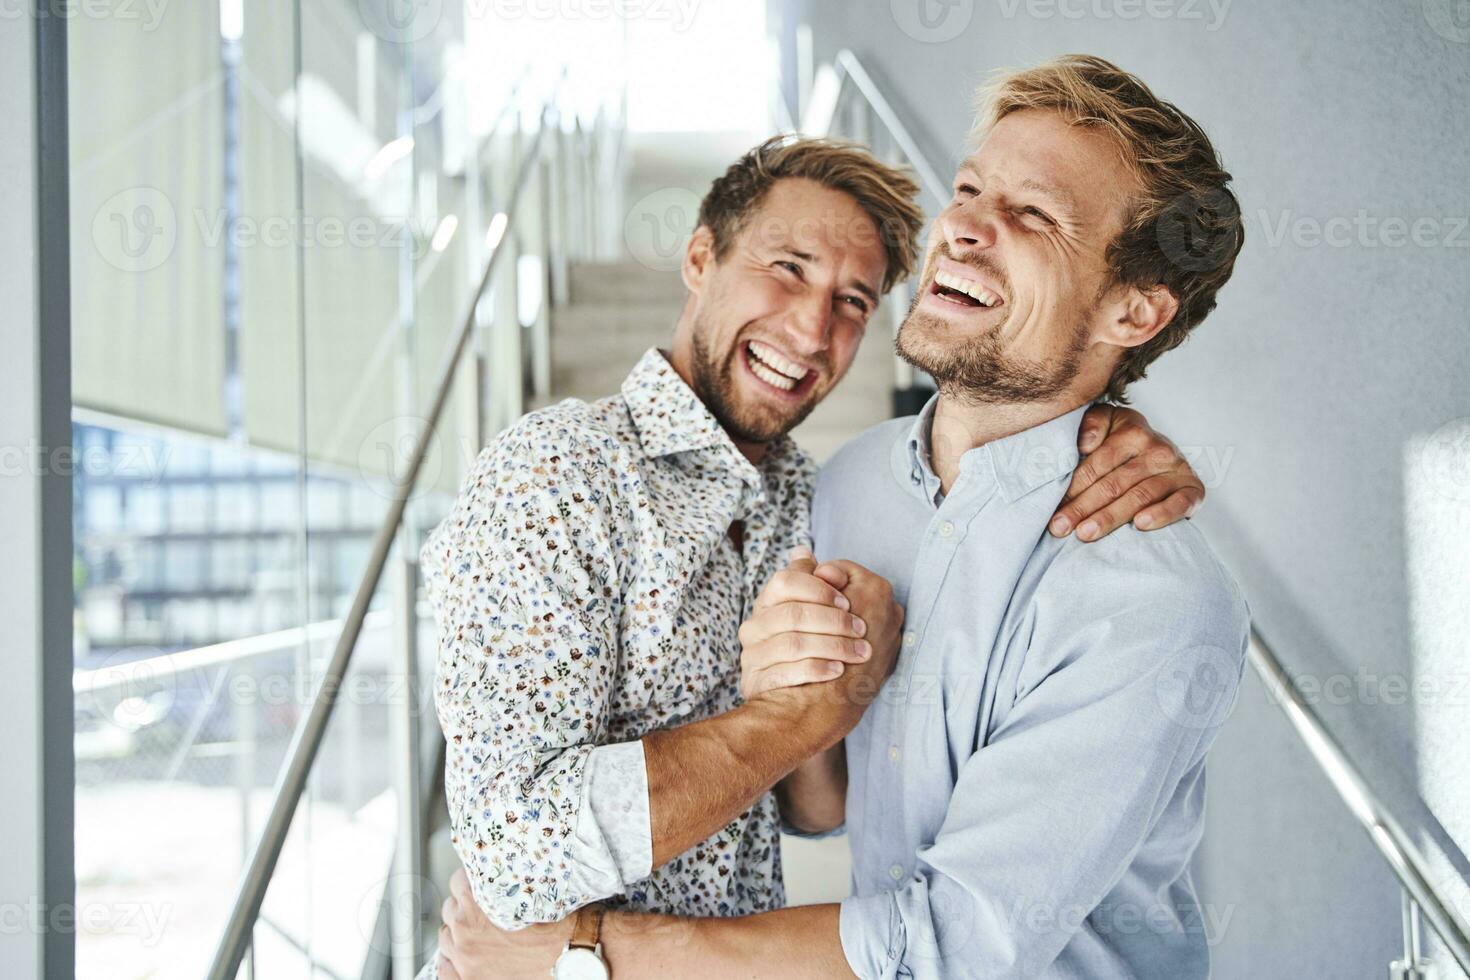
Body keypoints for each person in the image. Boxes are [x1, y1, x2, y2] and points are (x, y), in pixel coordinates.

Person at [423, 72, 1227, 977]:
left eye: (1035, 215)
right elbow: (520, 854)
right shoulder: (571, 472)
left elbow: (859, 852)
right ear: (699, 259)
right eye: (968, 192)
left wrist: (591, 953)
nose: (812, 327)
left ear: (1135, 311)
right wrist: (802, 715)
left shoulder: (822, 494)